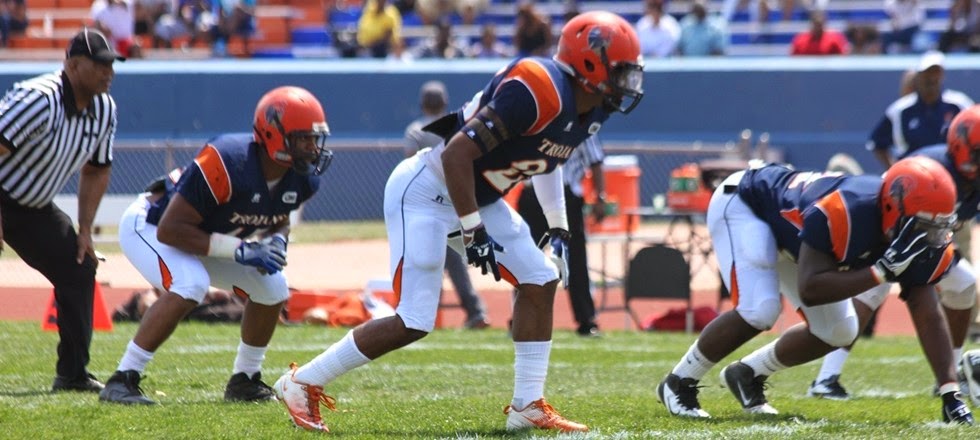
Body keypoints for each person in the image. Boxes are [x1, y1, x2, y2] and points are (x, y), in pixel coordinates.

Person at [271, 11, 644, 433]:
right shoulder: (536, 88)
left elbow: (549, 158)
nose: (628, 82)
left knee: (540, 278)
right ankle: (302, 382)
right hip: (427, 191)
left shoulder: (589, 107)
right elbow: (455, 154)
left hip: (477, 197)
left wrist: (558, 226)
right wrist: (472, 227)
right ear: (590, 63)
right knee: (413, 320)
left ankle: (527, 405)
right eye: (621, 71)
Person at [656, 156, 974, 424]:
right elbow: (811, 288)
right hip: (747, 204)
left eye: (938, 226)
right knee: (760, 309)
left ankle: (747, 374)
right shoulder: (846, 210)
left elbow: (926, 311)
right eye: (923, 226)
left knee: (839, 330)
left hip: (795, 239)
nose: (931, 237)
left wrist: (950, 392)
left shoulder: (920, 236)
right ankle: (679, 381)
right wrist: (880, 273)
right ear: (892, 209)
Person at [98, 86, 333, 405]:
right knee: (191, 283)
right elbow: (171, 229)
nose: (312, 148)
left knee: (274, 288)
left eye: (314, 139)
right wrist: (241, 250)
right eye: (303, 138)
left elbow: (278, 215)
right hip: (150, 225)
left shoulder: (303, 179)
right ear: (273, 134)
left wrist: (277, 241)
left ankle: (245, 381)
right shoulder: (227, 160)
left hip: (203, 235)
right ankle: (122, 378)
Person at [808, 106, 980, 400]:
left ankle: (951, 376)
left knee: (964, 284)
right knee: (873, 289)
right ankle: (825, 379)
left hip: (931, 240)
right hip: (891, 235)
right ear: (961, 147)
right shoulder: (933, 169)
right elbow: (890, 203)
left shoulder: (970, 175)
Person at [0, 28, 122, 393]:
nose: (108, 72)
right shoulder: (39, 99)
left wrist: (84, 230)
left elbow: (97, 170)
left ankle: (72, 374)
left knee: (79, 265)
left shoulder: (104, 110)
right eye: (99, 64)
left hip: (33, 206)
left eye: (111, 64)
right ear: (72, 65)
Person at [403, 80, 490, 329]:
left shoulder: (415, 130)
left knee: (425, 257)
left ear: (422, 103)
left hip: (425, 201)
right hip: (455, 199)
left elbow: (410, 163)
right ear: (444, 102)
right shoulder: (454, 126)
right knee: (455, 260)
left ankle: (426, 313)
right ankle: (475, 311)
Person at [515, 135, 606, 337]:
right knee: (524, 258)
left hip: (566, 197)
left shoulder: (581, 123)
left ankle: (586, 319)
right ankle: (520, 317)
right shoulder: (530, 121)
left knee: (575, 259)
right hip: (532, 195)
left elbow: (595, 159)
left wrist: (600, 197)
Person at [868, 51, 974, 170]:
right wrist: (895, 169)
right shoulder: (900, 110)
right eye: (927, 73)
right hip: (913, 174)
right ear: (918, 76)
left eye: (936, 72)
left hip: (951, 174)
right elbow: (877, 143)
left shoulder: (959, 104)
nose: (931, 78)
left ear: (942, 75)